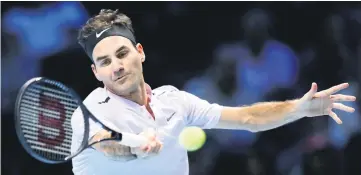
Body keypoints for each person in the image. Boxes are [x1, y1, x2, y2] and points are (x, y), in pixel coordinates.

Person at [71, 9, 356, 175]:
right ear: (96, 73)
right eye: (105, 62)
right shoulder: (93, 107)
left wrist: (299, 108)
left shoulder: (173, 100)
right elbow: (104, 141)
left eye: (122, 54)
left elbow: (248, 118)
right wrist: (134, 145)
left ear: (140, 53)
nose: (116, 67)